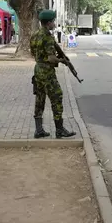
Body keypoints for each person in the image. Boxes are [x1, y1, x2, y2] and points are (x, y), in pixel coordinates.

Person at [30, 9, 76, 139]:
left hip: (37, 69)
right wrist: (62, 60)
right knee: (57, 97)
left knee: (40, 99)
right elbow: (51, 58)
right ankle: (59, 129)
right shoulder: (48, 37)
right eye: (53, 21)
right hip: (47, 73)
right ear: (48, 23)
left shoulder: (35, 35)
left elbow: (33, 53)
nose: (54, 23)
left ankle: (39, 130)